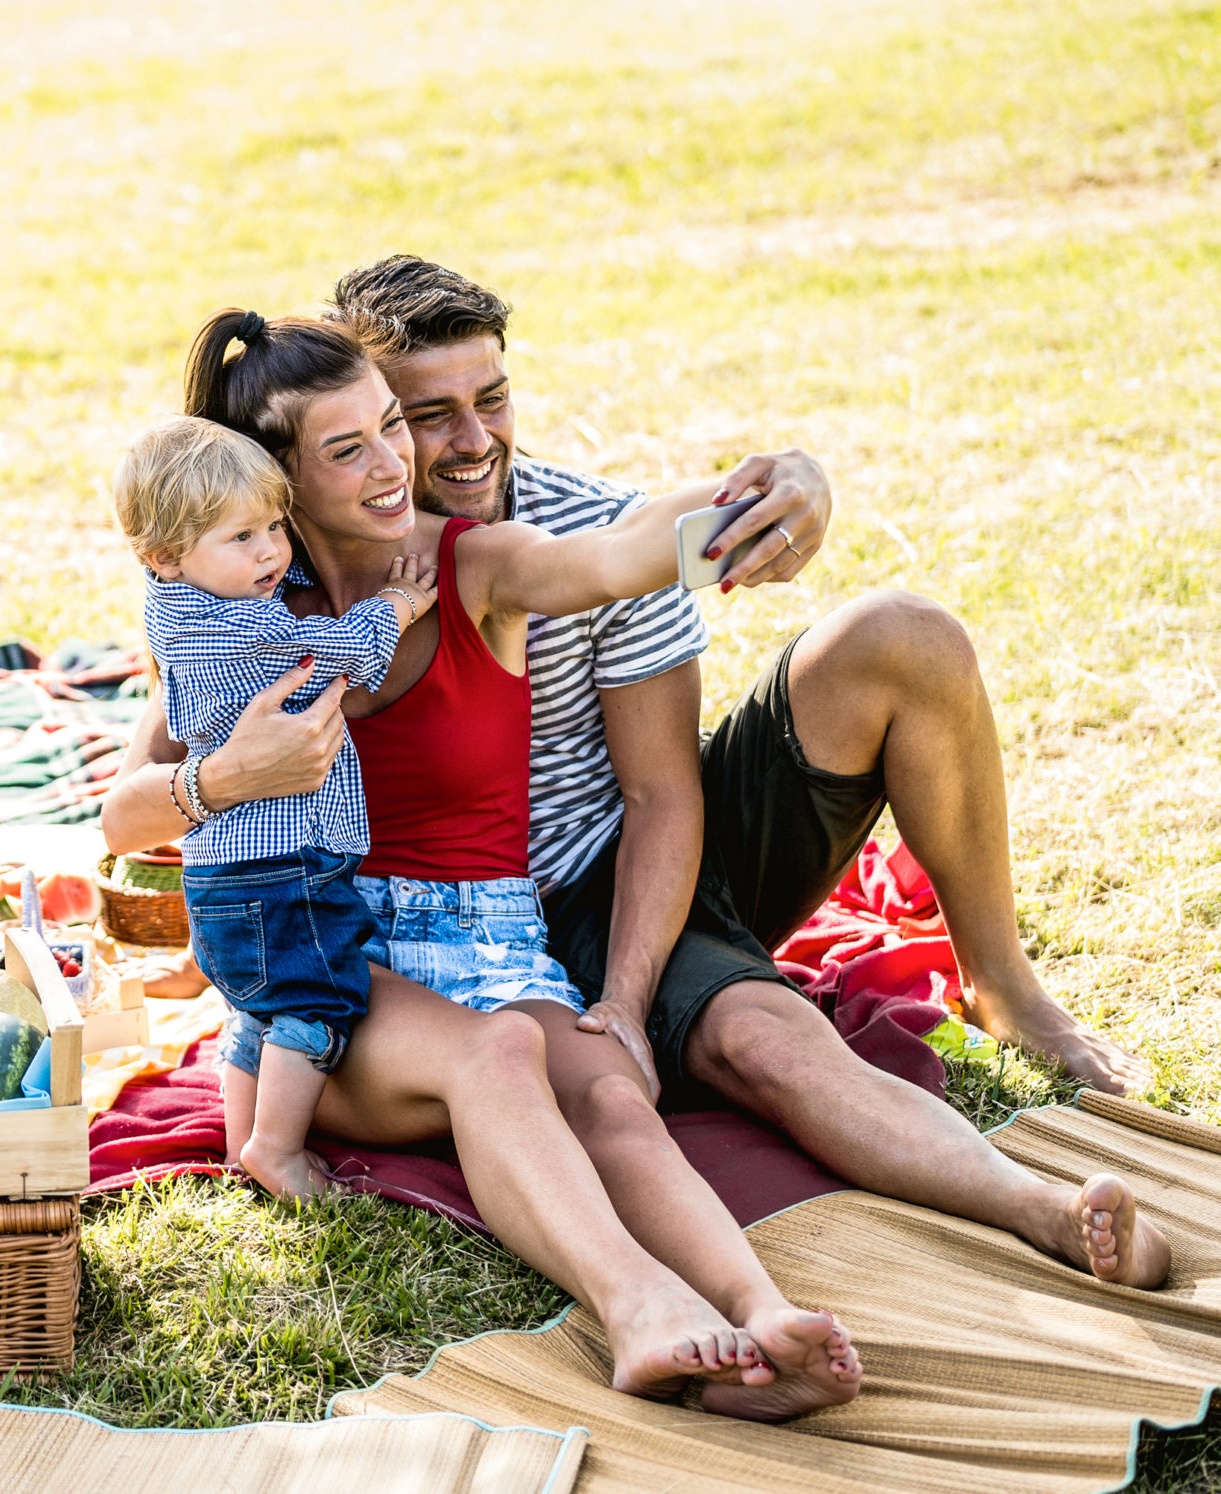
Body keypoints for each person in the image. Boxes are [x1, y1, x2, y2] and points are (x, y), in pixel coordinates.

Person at [328, 254, 1162, 1285]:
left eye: (490, 399)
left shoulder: (589, 533)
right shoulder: (313, 556)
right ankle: (1028, 1204)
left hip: (613, 870)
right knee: (753, 1042)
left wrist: (627, 1004)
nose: (472, 440)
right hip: (439, 920)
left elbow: (659, 793)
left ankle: (1018, 1063)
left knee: (900, 637)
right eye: (429, 415)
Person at [101, 312, 865, 1419]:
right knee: (498, 1053)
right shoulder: (236, 619)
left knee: (605, 1086)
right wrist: (224, 778)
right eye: (346, 447)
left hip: (490, 938)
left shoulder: (466, 561)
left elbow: (607, 551)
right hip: (339, 964)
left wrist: (767, 496)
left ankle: (759, 1316)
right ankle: (641, 1313)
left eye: (387, 428)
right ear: (274, 479)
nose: (392, 462)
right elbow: (119, 820)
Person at [115, 405, 436, 1198]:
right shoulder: (241, 632)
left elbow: (254, 575)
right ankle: (280, 1148)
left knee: (257, 1011)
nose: (271, 553)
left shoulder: (177, 601)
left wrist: (245, 551)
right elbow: (347, 653)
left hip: (223, 870)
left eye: (274, 527)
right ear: (165, 553)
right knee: (321, 1002)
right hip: (281, 864)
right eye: (243, 537)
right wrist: (393, 608)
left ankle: (241, 1146)